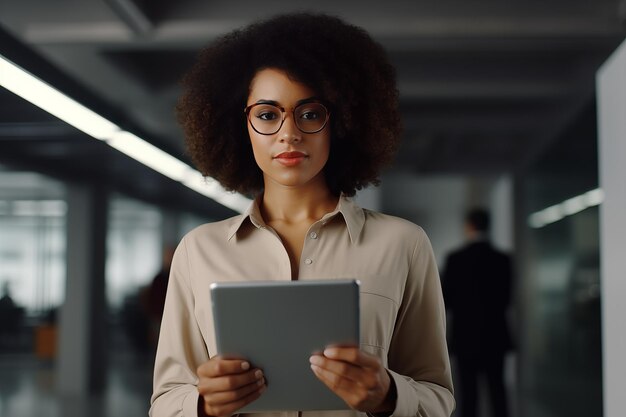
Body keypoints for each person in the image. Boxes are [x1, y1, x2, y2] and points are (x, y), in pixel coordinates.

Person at [150, 12, 454, 417]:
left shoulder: (403, 244)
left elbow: (438, 396)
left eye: (309, 113)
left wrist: (389, 396)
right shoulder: (198, 250)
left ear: (341, 122)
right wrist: (202, 405)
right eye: (267, 114)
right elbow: (166, 402)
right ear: (241, 126)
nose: (288, 133)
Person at [442, 209, 512, 417]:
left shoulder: (455, 259)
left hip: (465, 337)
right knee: (498, 391)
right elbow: (506, 299)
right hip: (496, 336)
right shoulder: (502, 259)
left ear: (469, 226)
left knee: (468, 395)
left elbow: (447, 300)